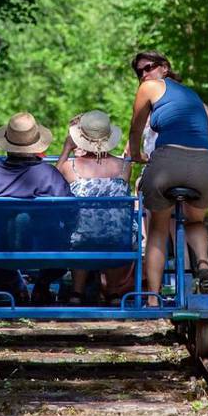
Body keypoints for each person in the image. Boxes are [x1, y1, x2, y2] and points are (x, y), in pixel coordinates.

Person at [127, 51, 208, 304]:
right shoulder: (191, 97)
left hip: (167, 162)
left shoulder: (149, 88)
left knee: (158, 230)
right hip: (203, 167)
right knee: (195, 222)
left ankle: (152, 299)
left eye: (148, 68)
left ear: (164, 68)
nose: (143, 75)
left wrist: (138, 155)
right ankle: (203, 265)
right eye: (138, 72)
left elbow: (135, 128)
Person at [0, 111, 73, 304]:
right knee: (62, 238)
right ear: (35, 144)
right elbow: (71, 211)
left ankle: (15, 288)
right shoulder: (49, 175)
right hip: (45, 251)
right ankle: (42, 286)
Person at [56, 110, 135, 306]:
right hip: (118, 238)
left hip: (80, 238)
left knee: (82, 229)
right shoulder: (125, 167)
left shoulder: (70, 167)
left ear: (80, 139)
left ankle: (77, 292)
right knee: (112, 227)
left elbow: (52, 181)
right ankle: (114, 292)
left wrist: (66, 149)